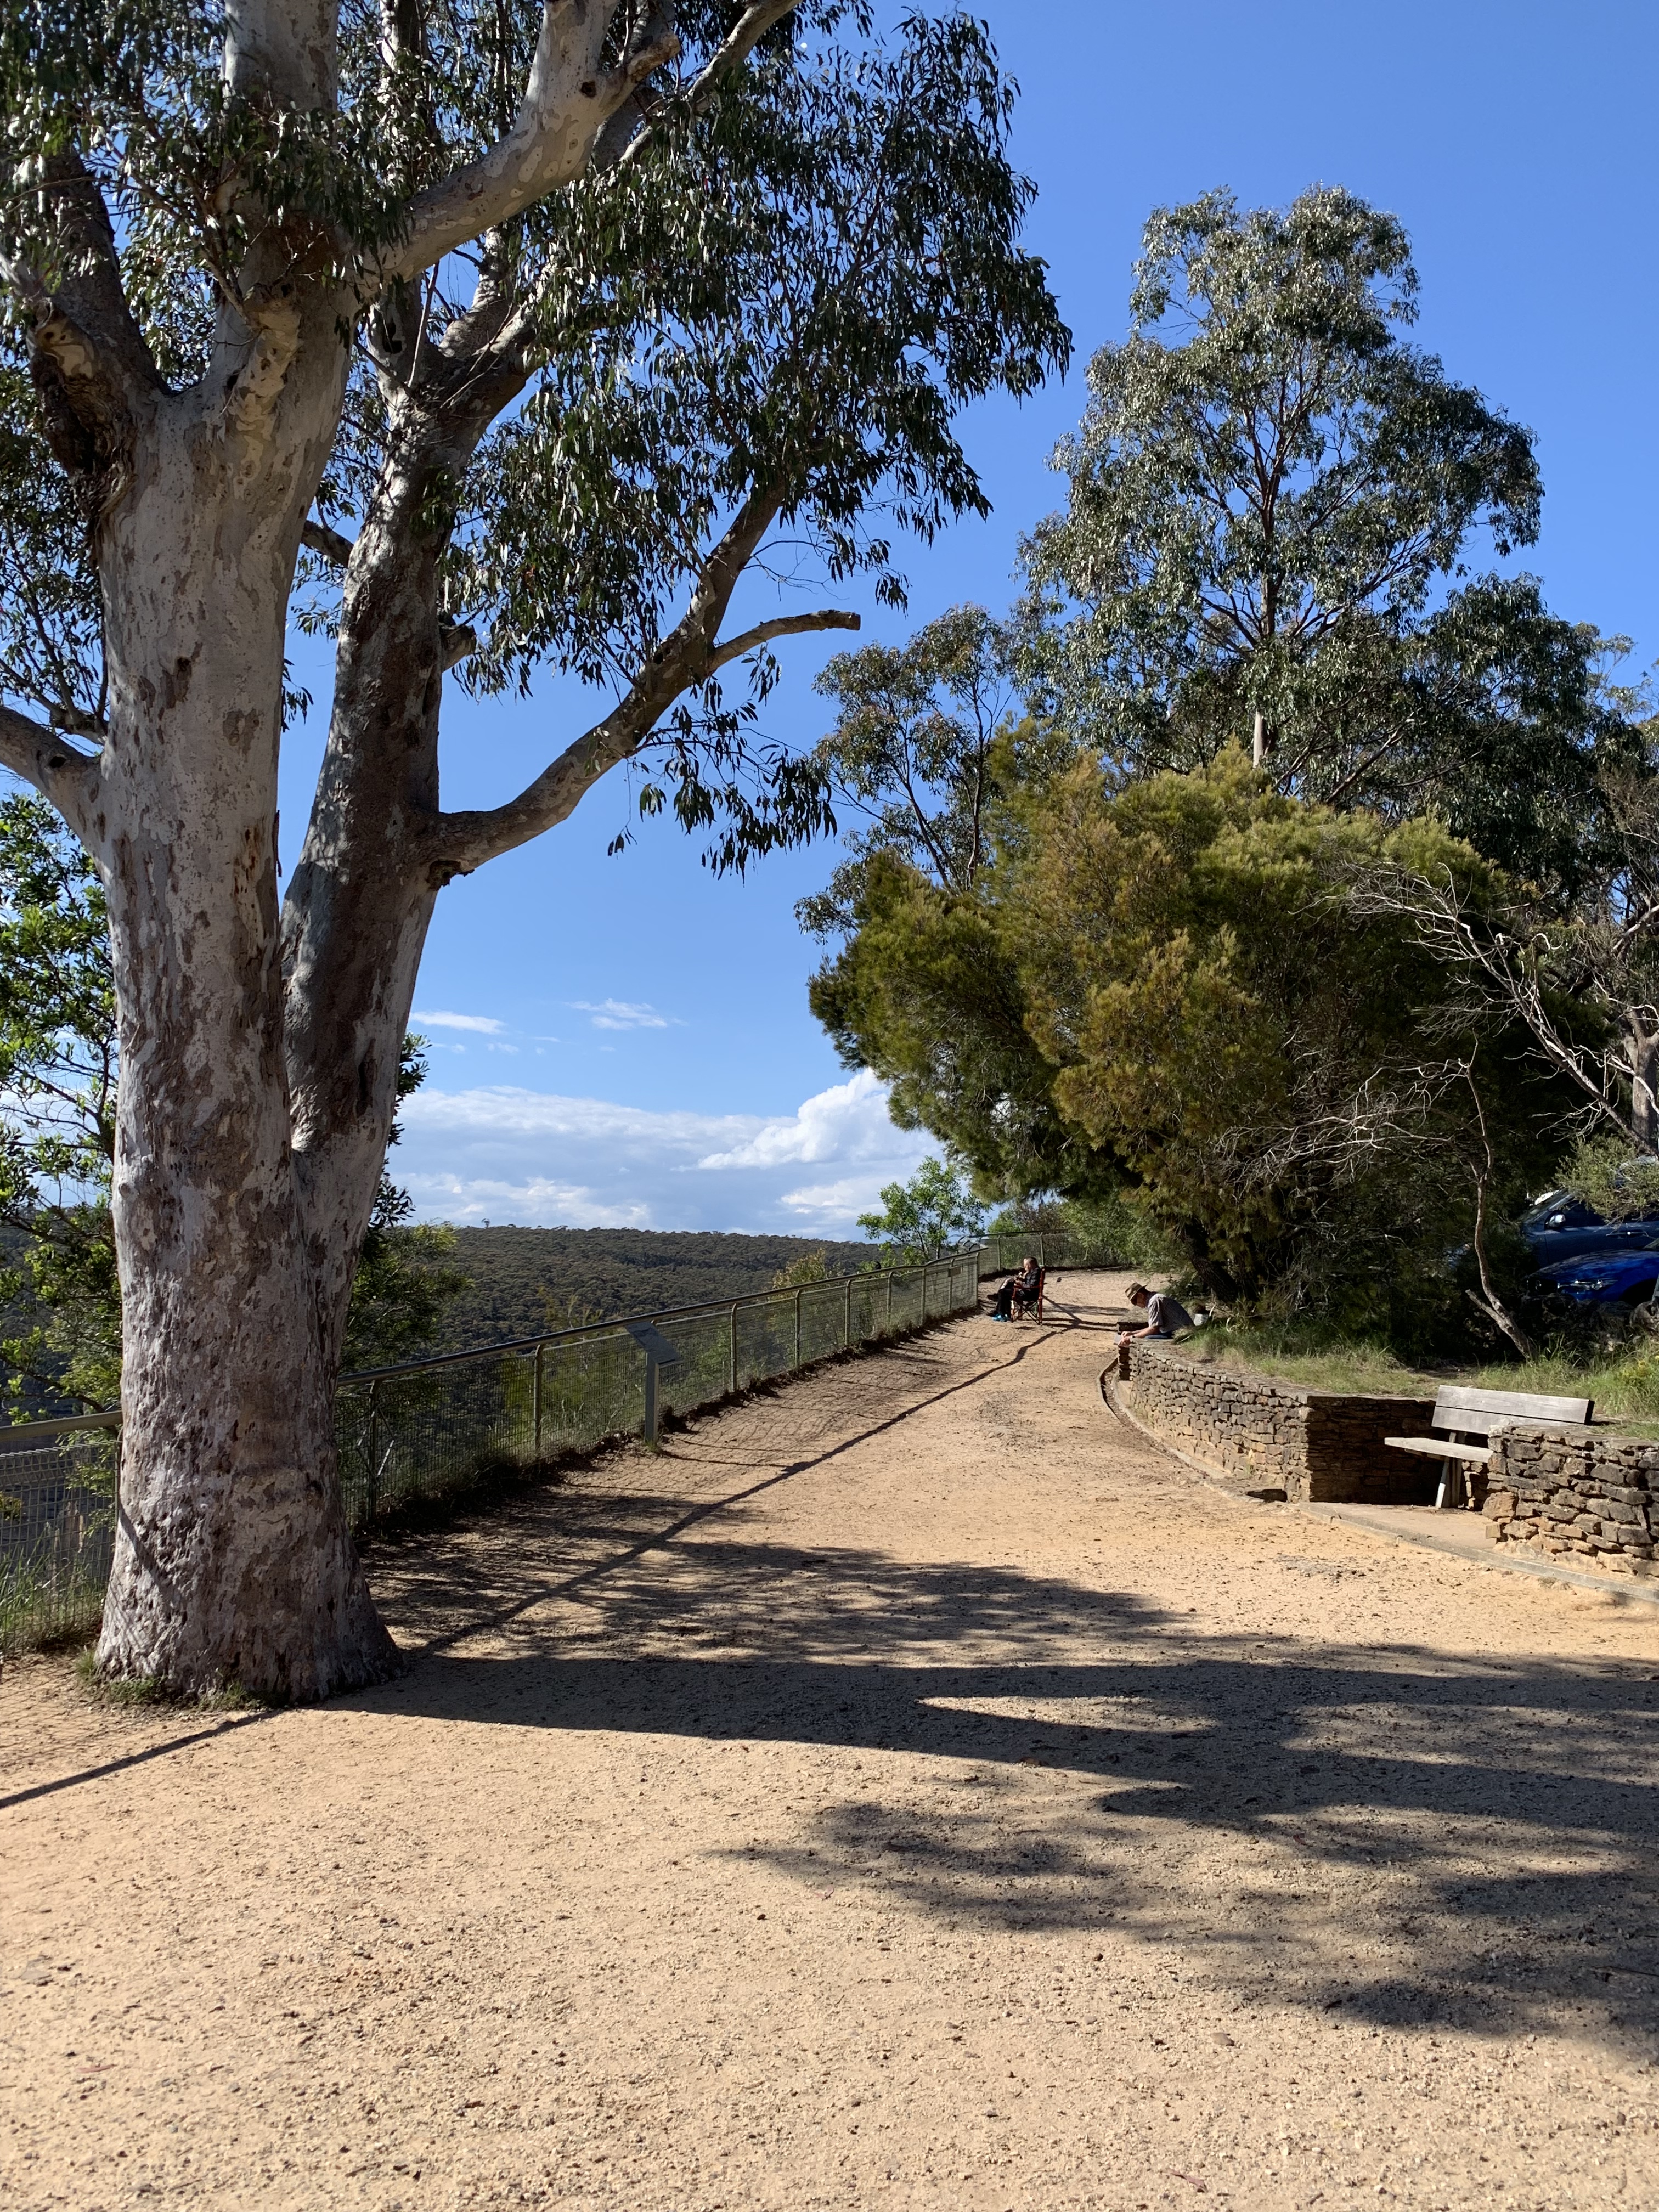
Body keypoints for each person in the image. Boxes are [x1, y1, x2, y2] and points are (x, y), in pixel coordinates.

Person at [1118, 1280, 1194, 1345]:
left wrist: (1131, 1338)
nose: (1135, 1304)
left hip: (1182, 1332)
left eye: (1134, 1301)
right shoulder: (1155, 1299)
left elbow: (1153, 1330)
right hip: (1176, 1331)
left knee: (1147, 1339)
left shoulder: (1154, 1301)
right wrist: (1133, 1333)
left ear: (1141, 1295)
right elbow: (1152, 1328)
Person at [990, 1254, 1042, 1321]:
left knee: (1002, 1292)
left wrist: (1020, 1283)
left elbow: (1031, 1286)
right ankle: (1007, 1315)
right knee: (1005, 1293)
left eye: (1025, 1266)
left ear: (1029, 1265)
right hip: (1026, 1293)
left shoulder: (1036, 1273)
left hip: (1027, 1295)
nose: (1025, 1269)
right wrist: (1022, 1279)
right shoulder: (1034, 1271)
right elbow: (1029, 1282)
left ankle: (1001, 1314)